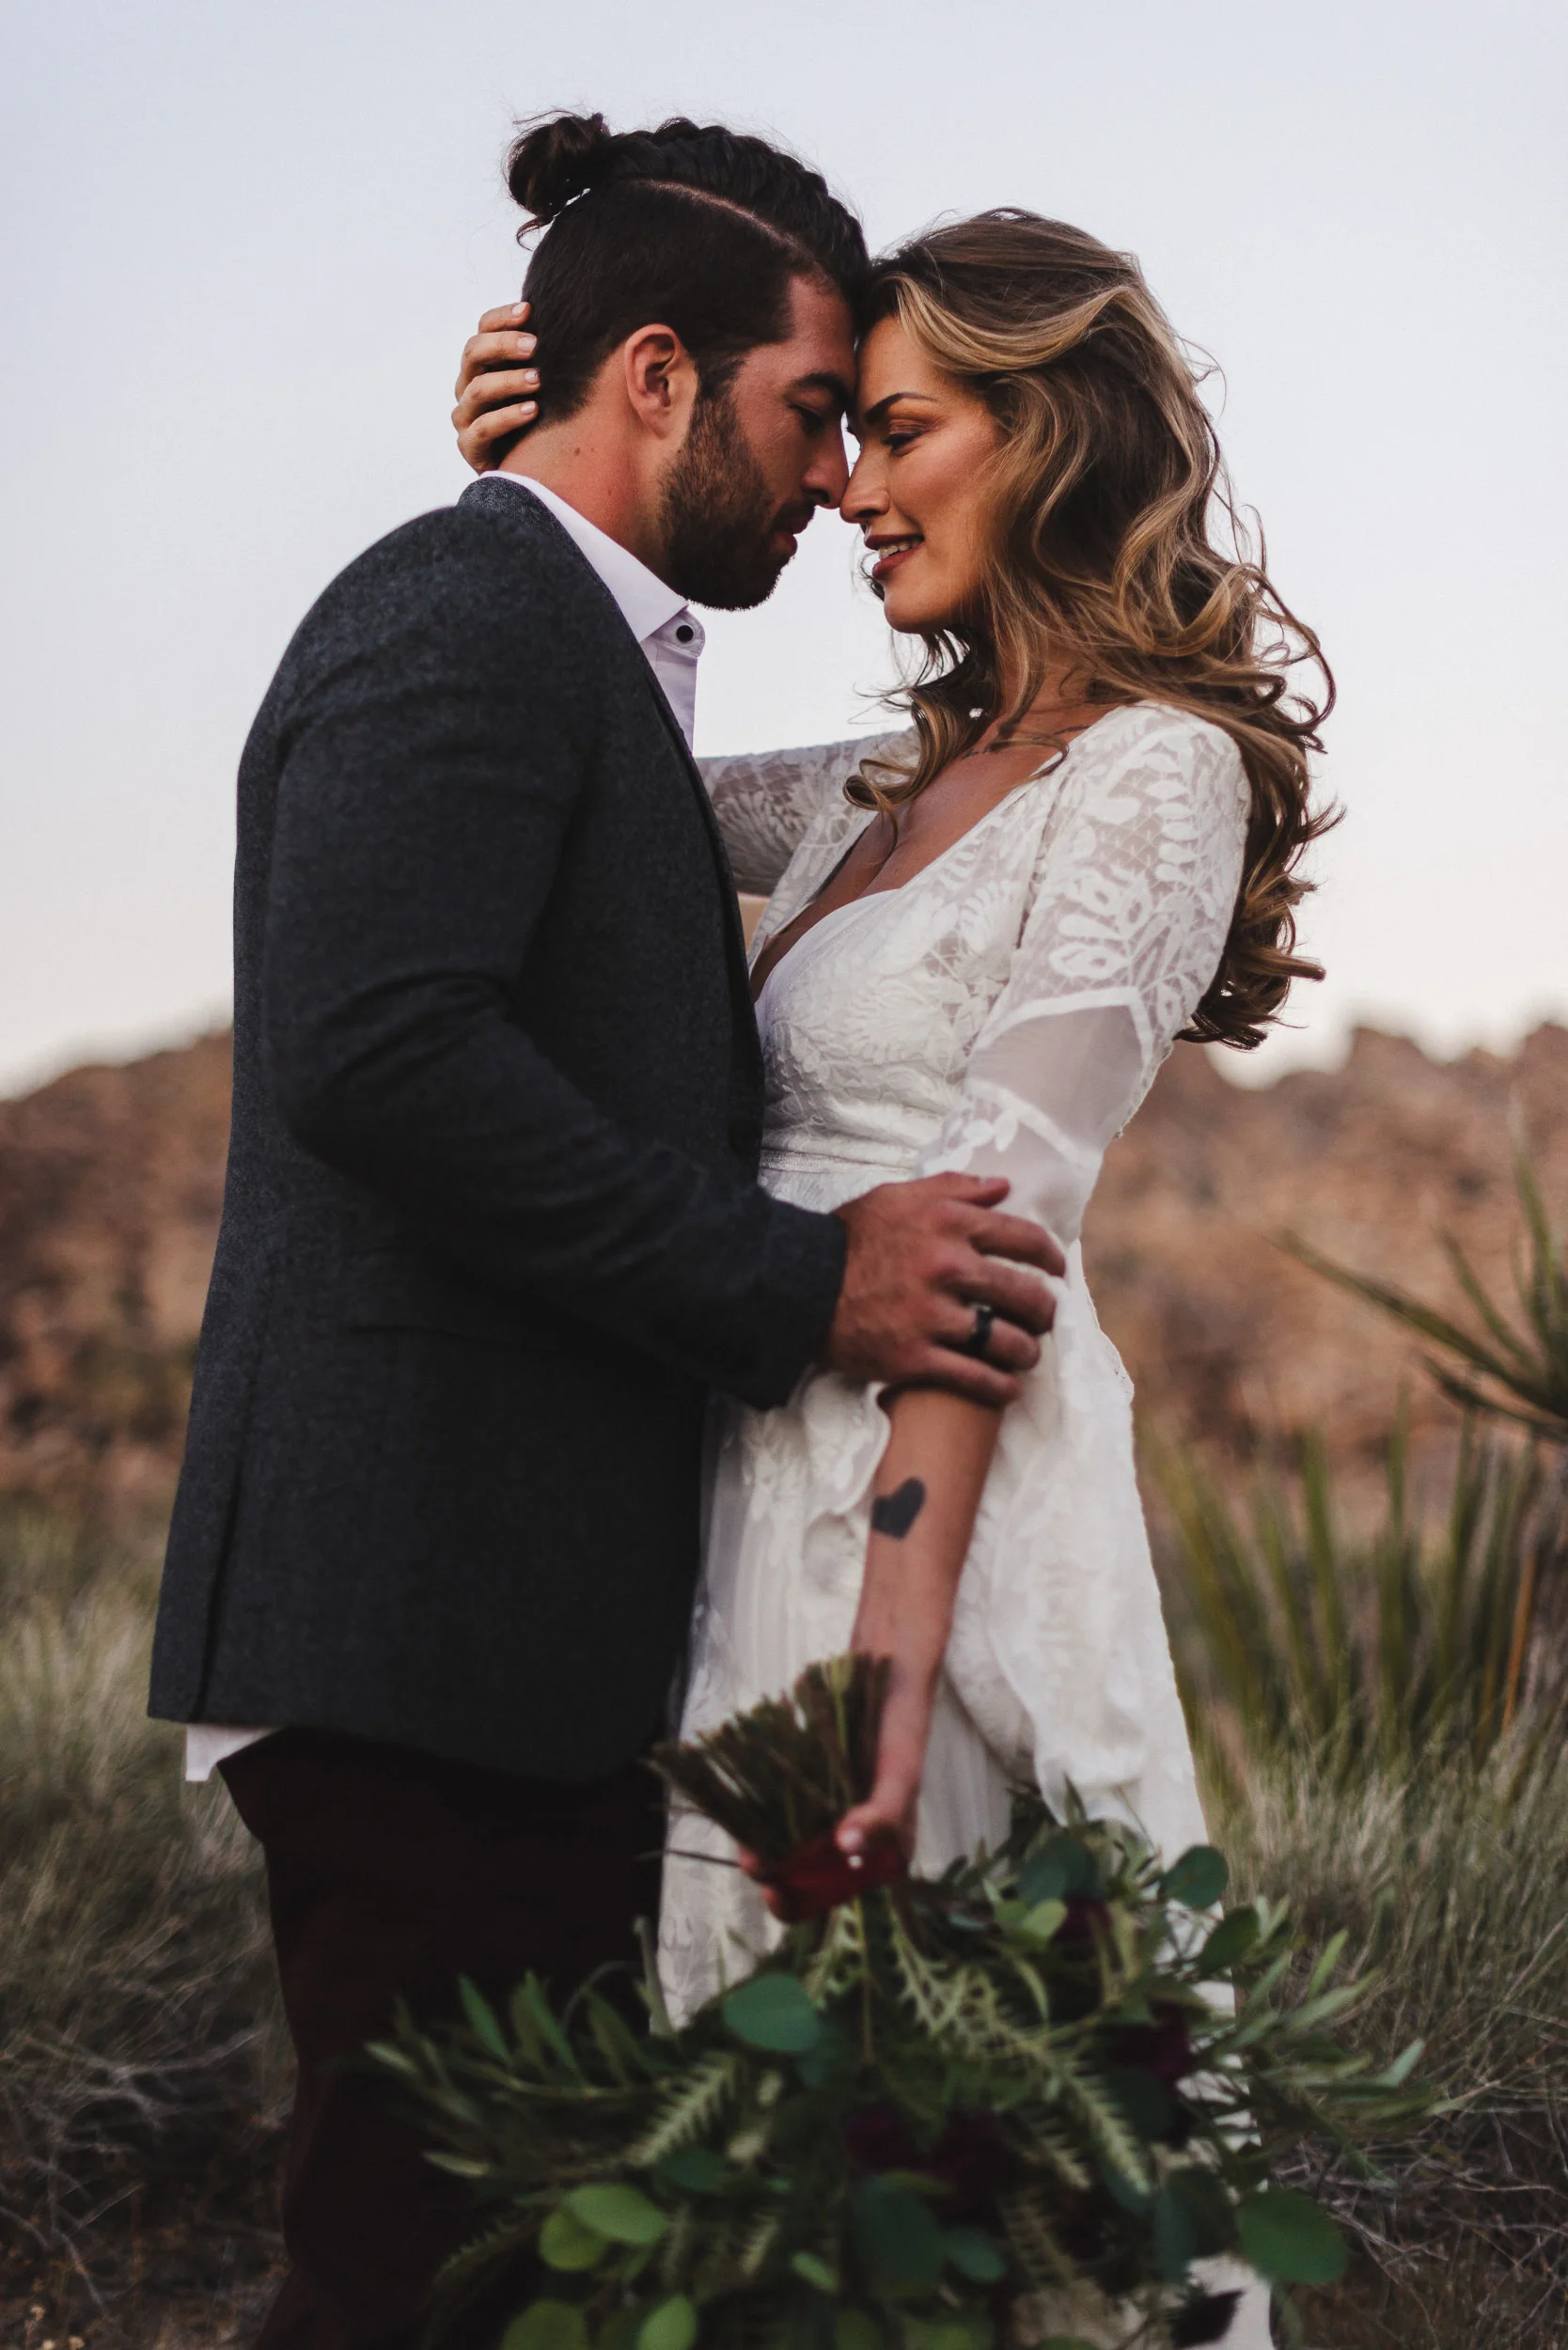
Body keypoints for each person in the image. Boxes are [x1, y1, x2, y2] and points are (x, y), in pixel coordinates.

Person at [149, 118, 1064, 2350]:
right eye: (812, 407)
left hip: (499, 1644)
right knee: (403, 2281)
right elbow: (382, 1054)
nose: (836, 470)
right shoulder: (457, 602)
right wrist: (804, 1282)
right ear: (656, 376)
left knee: (483, 2275)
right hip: (413, 1626)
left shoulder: (583, 650)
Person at [455, 193, 1332, 2350]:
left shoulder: (1158, 771)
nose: (842, 485)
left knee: (980, 2107)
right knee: (786, 2142)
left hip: (937, 1497)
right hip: (758, 1465)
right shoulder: (878, 786)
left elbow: (997, 1219)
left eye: (897, 427)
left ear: (1046, 434)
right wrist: (522, 485)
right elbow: (589, 748)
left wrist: (897, 1650)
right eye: (838, 428)